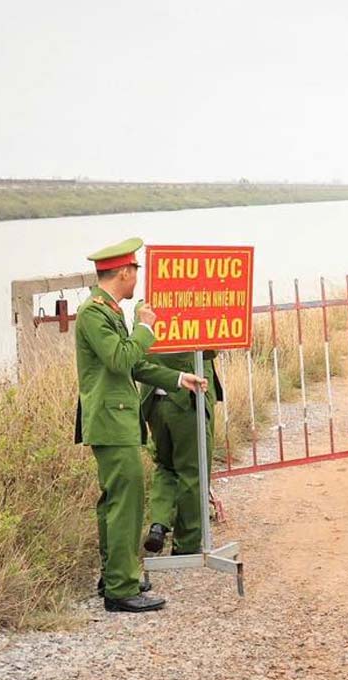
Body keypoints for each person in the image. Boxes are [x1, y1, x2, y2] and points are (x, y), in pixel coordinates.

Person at [74, 237, 207, 613]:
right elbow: (120, 358)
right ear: (123, 272)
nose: (137, 281)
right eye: (134, 272)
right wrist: (144, 328)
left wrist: (178, 380)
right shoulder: (94, 314)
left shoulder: (108, 311)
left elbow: (135, 366)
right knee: (125, 504)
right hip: (109, 421)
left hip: (116, 420)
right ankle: (121, 587)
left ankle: (114, 574)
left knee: (115, 502)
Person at [141, 350, 223, 556]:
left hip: (154, 400)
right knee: (193, 471)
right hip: (187, 399)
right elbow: (208, 348)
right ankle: (186, 543)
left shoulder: (146, 318)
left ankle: (158, 524)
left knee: (164, 465)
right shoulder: (186, 318)